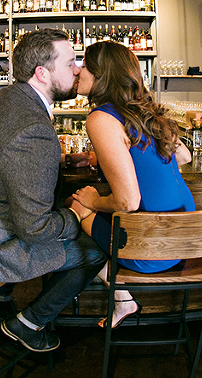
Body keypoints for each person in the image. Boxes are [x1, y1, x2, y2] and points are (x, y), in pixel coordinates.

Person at [0, 28, 106, 353]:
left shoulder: (4, 97)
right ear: (42, 72)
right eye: (71, 62)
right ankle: (28, 324)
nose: (77, 70)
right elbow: (34, 229)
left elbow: (8, 156)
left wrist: (57, 160)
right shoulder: (34, 127)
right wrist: (76, 214)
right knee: (95, 249)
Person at [71, 40, 195, 329]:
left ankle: (122, 299)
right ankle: (123, 300)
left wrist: (92, 201)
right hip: (186, 235)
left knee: (73, 206)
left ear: (102, 76)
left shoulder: (101, 117)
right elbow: (184, 156)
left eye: (85, 66)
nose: (78, 71)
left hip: (152, 246)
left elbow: (128, 202)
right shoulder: (146, 111)